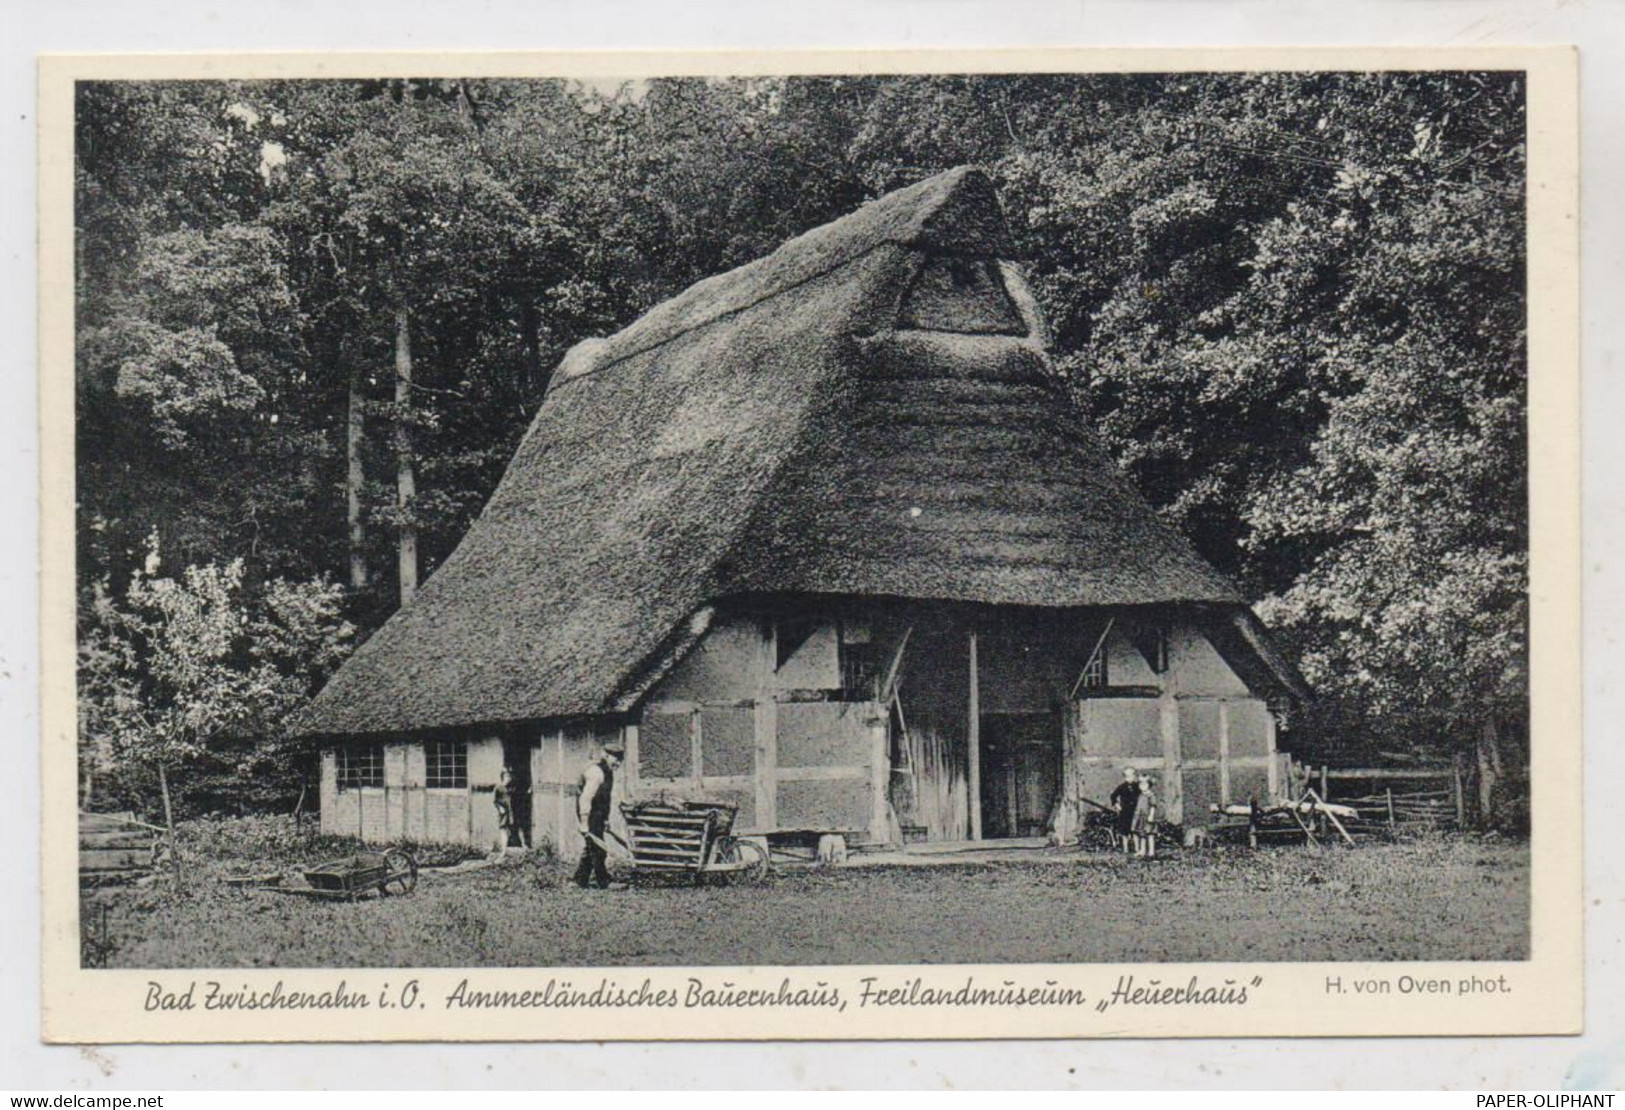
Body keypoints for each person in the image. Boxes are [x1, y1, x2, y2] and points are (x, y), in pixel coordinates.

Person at [573, 741, 625, 889]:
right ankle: (604, 881)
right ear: (606, 756)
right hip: (588, 812)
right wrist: (584, 822)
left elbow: (605, 798)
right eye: (616, 759)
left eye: (620, 760)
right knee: (598, 848)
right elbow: (585, 798)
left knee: (591, 846)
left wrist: (606, 819)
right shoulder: (596, 772)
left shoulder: (608, 772)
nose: (618, 763)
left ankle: (579, 880)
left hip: (598, 813)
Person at [1109, 767, 1140, 855]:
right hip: (1125, 812)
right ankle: (1125, 849)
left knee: (1135, 830)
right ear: (1124, 777)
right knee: (1125, 831)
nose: (1129, 778)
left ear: (1135, 776)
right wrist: (1117, 805)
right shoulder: (1122, 787)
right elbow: (1113, 796)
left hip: (1135, 811)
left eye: (1131, 776)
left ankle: (1137, 849)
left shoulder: (1138, 786)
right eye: (1127, 776)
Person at [1133, 774, 1159, 858]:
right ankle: (1142, 850)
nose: (1142, 786)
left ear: (1149, 785)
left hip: (1148, 818)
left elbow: (1153, 806)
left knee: (1150, 834)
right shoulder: (1140, 795)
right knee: (1142, 834)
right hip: (1141, 818)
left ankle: (1151, 851)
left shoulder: (1150, 795)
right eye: (1140, 784)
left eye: (1145, 784)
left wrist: (1151, 815)